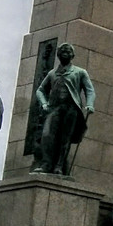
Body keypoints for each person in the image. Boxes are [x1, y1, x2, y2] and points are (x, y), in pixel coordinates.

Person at [31, 43, 95, 175]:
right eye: (62, 51)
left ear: (72, 55)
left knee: (65, 138)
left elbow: (90, 90)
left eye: (68, 51)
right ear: (58, 54)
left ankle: (59, 165)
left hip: (70, 109)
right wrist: (44, 104)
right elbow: (40, 90)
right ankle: (46, 163)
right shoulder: (52, 73)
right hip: (54, 109)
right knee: (47, 135)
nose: (65, 53)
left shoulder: (80, 72)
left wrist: (90, 104)